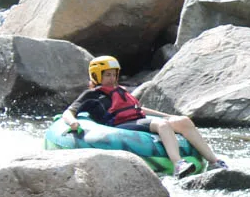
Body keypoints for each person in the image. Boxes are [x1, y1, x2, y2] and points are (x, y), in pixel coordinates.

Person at [62, 56, 226, 178]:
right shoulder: (91, 95)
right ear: (97, 76)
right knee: (162, 125)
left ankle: (214, 162)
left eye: (114, 75)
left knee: (182, 121)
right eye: (107, 75)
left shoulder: (119, 90)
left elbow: (137, 108)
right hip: (119, 126)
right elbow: (68, 112)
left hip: (137, 120)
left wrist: (168, 115)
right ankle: (178, 164)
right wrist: (73, 122)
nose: (112, 79)